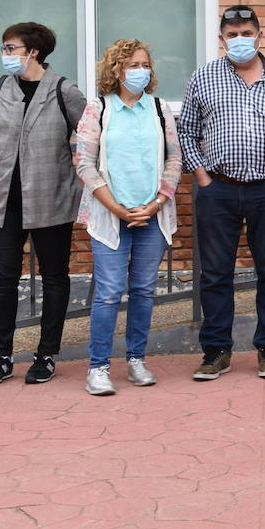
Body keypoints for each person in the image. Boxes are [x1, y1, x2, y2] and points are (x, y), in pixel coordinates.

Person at [178, 5, 265, 382]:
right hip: (218, 189)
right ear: (222, 39)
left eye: (246, 33)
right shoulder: (204, 77)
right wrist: (202, 177)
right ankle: (216, 351)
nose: (240, 40)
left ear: (259, 36)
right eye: (232, 34)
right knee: (215, 274)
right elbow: (186, 131)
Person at [0, 22, 87, 386]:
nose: (5, 54)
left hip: (50, 198)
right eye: (4, 48)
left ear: (33, 51)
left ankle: (46, 355)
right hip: (2, 200)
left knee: (54, 276)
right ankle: (1, 357)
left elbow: (89, 137)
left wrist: (84, 177)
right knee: (2, 280)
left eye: (11, 48)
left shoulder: (64, 90)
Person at [74, 40, 182, 395]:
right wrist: (116, 208)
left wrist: (156, 203)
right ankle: (98, 367)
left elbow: (174, 159)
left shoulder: (159, 109)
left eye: (145, 64)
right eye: (133, 65)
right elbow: (84, 164)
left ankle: (136, 360)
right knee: (108, 294)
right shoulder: (98, 109)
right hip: (111, 215)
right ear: (116, 69)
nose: (141, 71)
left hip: (152, 215)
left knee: (143, 291)